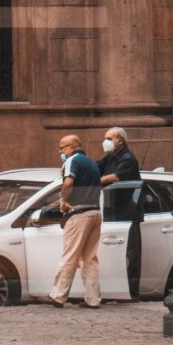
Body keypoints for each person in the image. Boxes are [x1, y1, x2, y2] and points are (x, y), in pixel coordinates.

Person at [45, 135, 103, 309]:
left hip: (79, 213)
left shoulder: (72, 161)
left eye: (62, 147)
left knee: (70, 255)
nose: (60, 151)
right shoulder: (91, 163)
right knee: (90, 259)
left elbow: (69, 182)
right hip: (95, 212)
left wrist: (63, 200)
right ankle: (93, 299)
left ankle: (58, 295)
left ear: (71, 147)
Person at [97, 127, 142, 300]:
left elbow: (114, 178)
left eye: (109, 138)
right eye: (104, 137)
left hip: (128, 212)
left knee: (130, 254)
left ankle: (132, 292)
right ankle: (116, 290)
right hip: (112, 211)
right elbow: (97, 167)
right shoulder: (109, 157)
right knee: (113, 254)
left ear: (119, 141)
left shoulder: (127, 158)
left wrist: (93, 181)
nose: (105, 141)